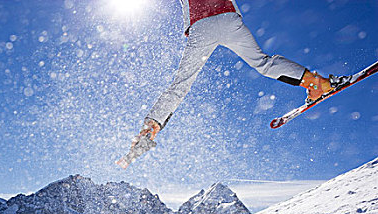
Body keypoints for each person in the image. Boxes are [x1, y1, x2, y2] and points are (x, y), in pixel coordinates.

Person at [135, 0, 339, 141]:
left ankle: (153, 123)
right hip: (228, 19)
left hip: (201, 27)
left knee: (181, 84)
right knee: (263, 63)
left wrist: (156, 120)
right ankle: (317, 83)